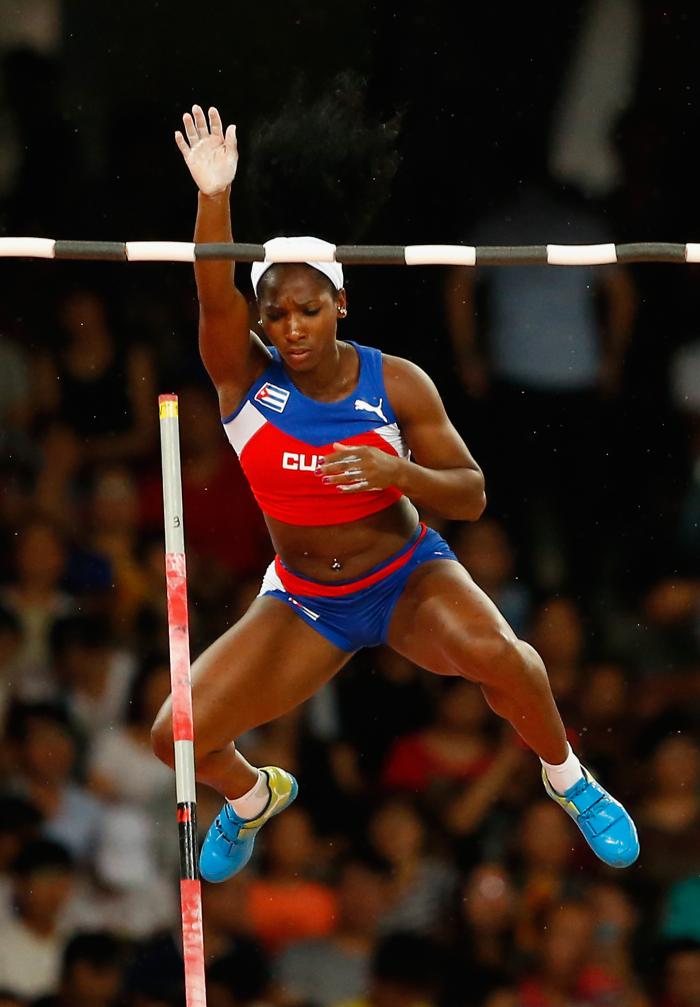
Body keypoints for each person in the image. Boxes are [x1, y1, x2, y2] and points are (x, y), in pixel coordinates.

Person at [151, 104, 639, 884]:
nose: (292, 327)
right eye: (276, 313)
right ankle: (252, 796)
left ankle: (568, 777)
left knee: (507, 660)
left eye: (309, 309)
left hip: (407, 575)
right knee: (173, 736)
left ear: (340, 304)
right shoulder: (243, 380)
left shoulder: (396, 382)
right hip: (306, 601)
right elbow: (215, 297)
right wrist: (215, 196)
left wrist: (398, 474)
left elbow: (472, 495)